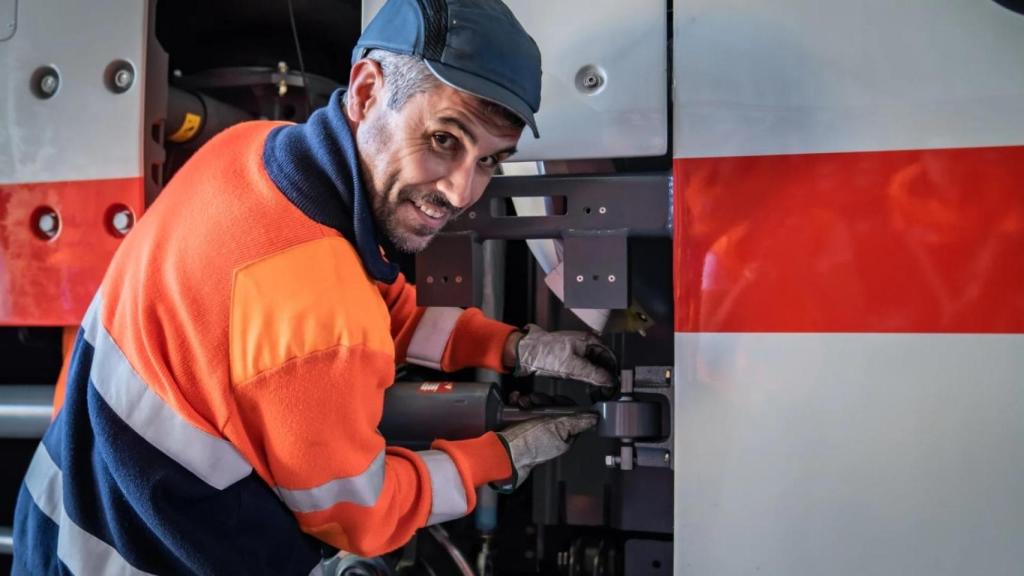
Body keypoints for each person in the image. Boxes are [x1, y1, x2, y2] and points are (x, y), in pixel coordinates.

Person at [13, 0, 616, 573]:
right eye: (443, 140)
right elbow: (362, 518)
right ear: (366, 91)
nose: (460, 192)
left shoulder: (248, 151)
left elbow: (373, 308)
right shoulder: (321, 311)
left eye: (489, 160)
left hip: (61, 508)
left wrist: (514, 347)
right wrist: (497, 459)